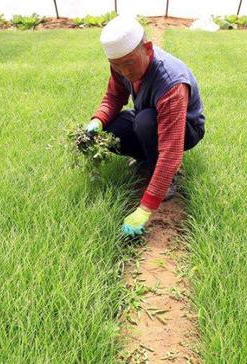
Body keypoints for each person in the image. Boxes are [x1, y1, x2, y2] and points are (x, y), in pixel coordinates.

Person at [85, 15, 205, 236]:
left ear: (148, 49)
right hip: (149, 117)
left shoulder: (171, 83)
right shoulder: (121, 65)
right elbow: (114, 96)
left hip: (184, 129)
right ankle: (146, 158)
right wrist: (97, 120)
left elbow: (170, 150)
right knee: (110, 131)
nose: (125, 72)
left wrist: (145, 208)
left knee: (146, 121)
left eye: (129, 64)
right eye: (117, 66)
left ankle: (169, 177)